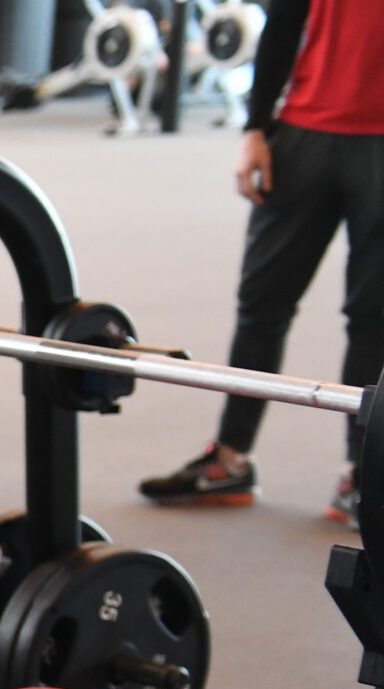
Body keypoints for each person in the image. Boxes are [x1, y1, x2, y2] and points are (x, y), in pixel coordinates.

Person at [136, 0, 383, 526]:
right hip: (300, 134)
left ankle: (365, 479)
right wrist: (254, 129)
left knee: (374, 319)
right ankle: (229, 459)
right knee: (261, 307)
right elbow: (284, 22)